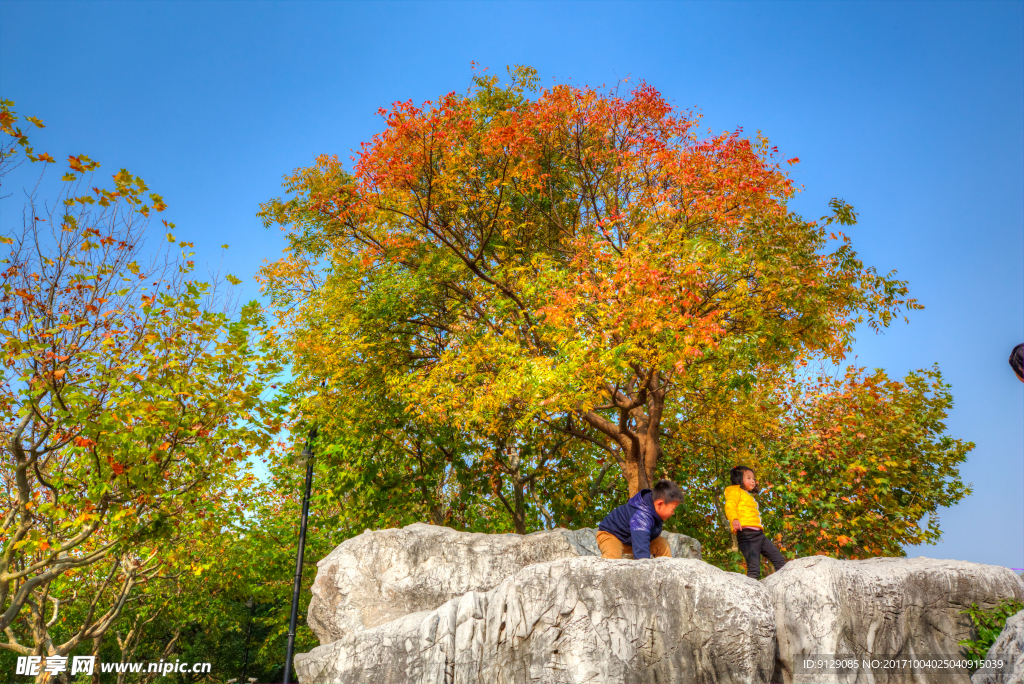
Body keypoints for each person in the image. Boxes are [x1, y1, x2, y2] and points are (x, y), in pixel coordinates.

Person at [724, 466, 786, 580]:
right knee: (754, 569)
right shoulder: (734, 491)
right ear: (738, 478)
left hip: (759, 534)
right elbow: (730, 506)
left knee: (779, 559)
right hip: (746, 534)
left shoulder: (748, 495)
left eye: (753, 478)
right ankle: (749, 594)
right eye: (748, 478)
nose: (753, 481)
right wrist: (734, 519)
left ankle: (783, 584)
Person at [596, 479, 683, 559]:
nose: (673, 513)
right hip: (611, 535)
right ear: (659, 504)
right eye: (673, 509)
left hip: (631, 539)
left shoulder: (652, 507)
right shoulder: (641, 517)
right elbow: (641, 551)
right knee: (613, 557)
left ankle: (666, 572)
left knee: (663, 545)